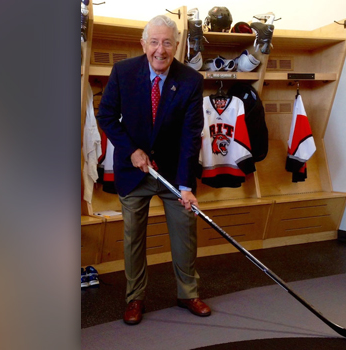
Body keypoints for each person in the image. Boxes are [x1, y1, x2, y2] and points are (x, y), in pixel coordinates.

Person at [96, 14, 210, 325]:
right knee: (134, 237)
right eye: (155, 42)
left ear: (176, 46)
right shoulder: (123, 72)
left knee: (185, 232)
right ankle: (135, 298)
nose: (161, 50)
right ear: (144, 44)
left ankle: (188, 292)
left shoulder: (190, 80)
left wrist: (186, 185)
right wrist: (131, 150)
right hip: (134, 171)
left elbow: (191, 136)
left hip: (174, 173)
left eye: (168, 43)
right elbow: (106, 116)